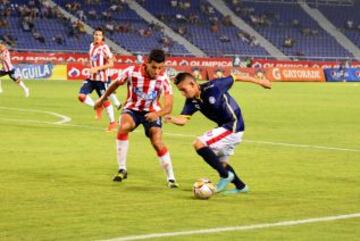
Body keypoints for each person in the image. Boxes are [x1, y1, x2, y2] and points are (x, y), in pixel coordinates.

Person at [165, 72, 271, 194]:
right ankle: (241, 187)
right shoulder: (191, 101)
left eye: (184, 89)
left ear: (193, 84)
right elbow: (183, 120)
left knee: (199, 143)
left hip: (233, 125)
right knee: (221, 162)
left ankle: (225, 176)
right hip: (225, 127)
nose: (183, 93)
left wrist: (261, 82)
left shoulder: (215, 86)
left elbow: (236, 77)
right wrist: (172, 119)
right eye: (180, 91)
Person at [94, 49, 179, 188]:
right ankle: (122, 168)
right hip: (132, 109)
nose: (157, 71)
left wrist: (156, 115)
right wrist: (102, 100)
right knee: (124, 127)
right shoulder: (131, 71)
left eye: (160, 68)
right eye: (154, 67)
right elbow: (114, 84)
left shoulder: (164, 80)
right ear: (147, 63)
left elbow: (169, 107)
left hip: (152, 111)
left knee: (157, 141)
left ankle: (171, 178)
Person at [77, 27, 116, 132]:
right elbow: (93, 59)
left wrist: (97, 68)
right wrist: (87, 63)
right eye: (96, 34)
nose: (97, 36)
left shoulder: (104, 48)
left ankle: (112, 122)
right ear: (93, 36)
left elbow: (111, 63)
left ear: (102, 37)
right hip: (91, 78)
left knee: (105, 101)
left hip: (101, 80)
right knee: (81, 96)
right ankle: (97, 106)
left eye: (99, 35)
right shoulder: (91, 45)